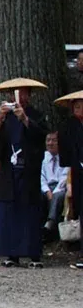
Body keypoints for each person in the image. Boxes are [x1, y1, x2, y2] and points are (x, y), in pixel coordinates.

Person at [0, 79, 48, 267]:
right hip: (9, 167)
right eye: (15, 93)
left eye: (23, 93)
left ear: (28, 95)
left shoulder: (36, 115)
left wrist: (24, 120)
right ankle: (11, 254)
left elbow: (41, 136)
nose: (19, 97)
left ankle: (33, 254)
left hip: (28, 168)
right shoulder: (4, 115)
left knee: (29, 210)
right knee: (9, 211)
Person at [56, 91, 83, 268]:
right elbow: (65, 150)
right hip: (78, 170)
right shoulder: (69, 125)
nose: (78, 109)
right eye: (76, 106)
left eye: (81, 106)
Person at [41, 131, 67, 238]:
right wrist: (47, 191)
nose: (50, 143)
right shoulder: (44, 157)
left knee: (58, 196)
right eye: (48, 140)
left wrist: (53, 193)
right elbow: (41, 176)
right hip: (46, 187)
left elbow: (65, 178)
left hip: (61, 187)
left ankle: (50, 223)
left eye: (54, 140)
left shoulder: (66, 156)